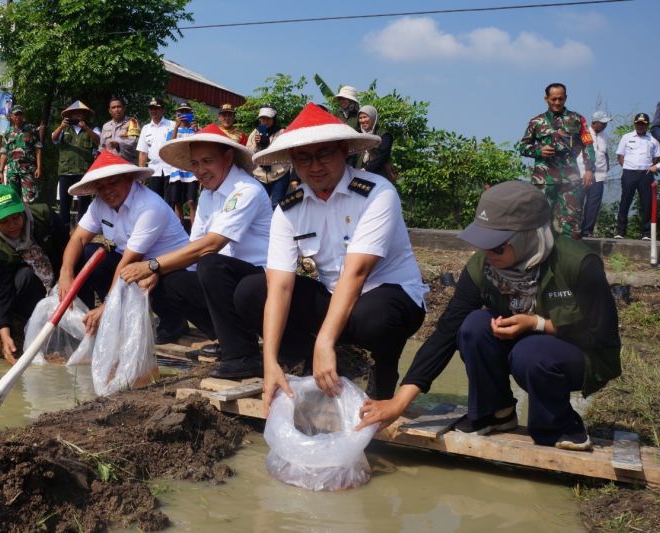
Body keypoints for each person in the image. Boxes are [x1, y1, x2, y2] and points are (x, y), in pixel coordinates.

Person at [356, 181, 621, 452]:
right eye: (484, 244)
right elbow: (446, 332)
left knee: (531, 351)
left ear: (530, 237)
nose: (488, 254)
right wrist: (399, 402)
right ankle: (496, 412)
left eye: (497, 247)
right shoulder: (482, 267)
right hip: (525, 347)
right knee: (473, 327)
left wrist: (538, 324)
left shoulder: (578, 263)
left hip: (579, 356)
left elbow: (601, 333)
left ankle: (560, 425)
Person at [234, 103, 429, 409]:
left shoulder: (378, 193)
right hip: (334, 296)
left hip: (388, 296)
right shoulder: (289, 210)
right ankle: (321, 358)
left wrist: (326, 340)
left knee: (375, 317)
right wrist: (270, 361)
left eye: (324, 154)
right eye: (303, 158)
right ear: (293, 162)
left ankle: (382, 371)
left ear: (343, 151)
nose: (315, 166)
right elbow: (280, 286)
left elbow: (357, 273)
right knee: (250, 291)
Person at [120, 123, 272, 377]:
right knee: (172, 282)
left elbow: (211, 245)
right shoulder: (208, 196)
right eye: (195, 164)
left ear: (227, 157)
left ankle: (243, 355)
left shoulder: (246, 190)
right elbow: (194, 246)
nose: (200, 170)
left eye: (207, 161)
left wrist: (152, 264)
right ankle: (227, 339)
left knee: (210, 264)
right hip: (226, 280)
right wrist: (158, 273)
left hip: (259, 284)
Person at [57, 151, 190, 338]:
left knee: (152, 277)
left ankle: (173, 320)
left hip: (170, 268)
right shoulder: (99, 204)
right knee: (89, 254)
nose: (108, 191)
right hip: (134, 265)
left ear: (128, 179)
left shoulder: (148, 206)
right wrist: (66, 273)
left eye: (113, 182)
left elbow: (128, 261)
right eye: (101, 187)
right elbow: (78, 238)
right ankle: (113, 315)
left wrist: (107, 306)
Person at [0, 184, 68, 364]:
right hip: (30, 290)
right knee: (25, 277)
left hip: (59, 274)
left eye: (15, 218)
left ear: (23, 210)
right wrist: (4, 333)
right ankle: (31, 323)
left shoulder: (44, 216)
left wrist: (65, 277)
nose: (12, 225)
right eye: (4, 222)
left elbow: (67, 247)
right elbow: (1, 294)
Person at [516, 83, 595, 240]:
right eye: (554, 99)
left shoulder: (577, 119)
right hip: (544, 179)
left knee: (572, 219)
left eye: (561, 98)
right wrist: (539, 150)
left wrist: (589, 169)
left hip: (570, 178)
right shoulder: (536, 122)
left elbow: (588, 144)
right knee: (540, 219)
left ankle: (571, 258)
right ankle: (540, 258)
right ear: (546, 99)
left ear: (565, 98)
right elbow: (523, 147)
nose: (557, 102)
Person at [50, 100, 100, 233]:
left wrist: (86, 128)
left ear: (85, 115)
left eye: (80, 113)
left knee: (84, 206)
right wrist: (61, 127)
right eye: (74, 113)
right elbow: (53, 139)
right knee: (64, 206)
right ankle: (63, 235)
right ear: (70, 115)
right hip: (66, 172)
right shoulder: (64, 128)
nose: (77, 115)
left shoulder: (92, 127)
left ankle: (81, 235)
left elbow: (99, 141)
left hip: (84, 172)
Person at [614, 113, 660, 240]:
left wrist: (653, 167)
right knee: (625, 201)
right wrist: (627, 167)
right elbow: (620, 156)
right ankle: (620, 231)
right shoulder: (626, 137)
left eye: (643, 124)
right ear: (634, 124)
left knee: (647, 203)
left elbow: (657, 157)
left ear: (647, 125)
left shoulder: (653, 140)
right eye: (638, 123)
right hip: (629, 173)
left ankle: (646, 233)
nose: (640, 126)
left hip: (645, 174)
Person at [246, 105, 291, 208]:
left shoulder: (282, 133)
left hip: (279, 174)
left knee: (277, 205)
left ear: (274, 119)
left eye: (268, 118)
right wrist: (257, 145)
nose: (265, 121)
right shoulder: (255, 133)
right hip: (260, 176)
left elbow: (286, 152)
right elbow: (248, 153)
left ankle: (278, 224)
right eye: (262, 119)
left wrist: (267, 142)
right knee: (261, 205)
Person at [576, 111, 611, 237]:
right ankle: (574, 230)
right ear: (594, 122)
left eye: (606, 123)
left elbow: (605, 154)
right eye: (602, 123)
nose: (604, 125)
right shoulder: (583, 134)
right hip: (582, 174)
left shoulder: (605, 136)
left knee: (593, 205)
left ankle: (587, 231)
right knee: (577, 203)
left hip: (599, 176)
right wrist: (585, 171)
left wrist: (606, 169)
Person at [0, 105, 43, 203]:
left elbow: (38, 149)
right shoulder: (7, 133)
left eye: (20, 114)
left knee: (30, 199)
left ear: (23, 116)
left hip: (27, 170)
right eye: (16, 114)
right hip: (12, 171)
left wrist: (39, 167)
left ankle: (31, 218)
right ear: (12, 116)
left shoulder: (31, 130)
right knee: (13, 199)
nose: (18, 117)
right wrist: (0, 171)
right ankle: (18, 218)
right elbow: (4, 152)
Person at [165, 102, 199, 228]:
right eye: (181, 112)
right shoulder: (172, 131)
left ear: (191, 114)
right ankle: (180, 232)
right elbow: (169, 147)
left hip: (192, 171)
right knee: (177, 202)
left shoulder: (196, 130)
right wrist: (175, 127)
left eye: (186, 112)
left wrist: (197, 131)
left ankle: (194, 232)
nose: (184, 114)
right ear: (177, 114)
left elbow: (200, 147)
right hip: (176, 170)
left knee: (191, 201)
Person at [137, 97, 174, 199]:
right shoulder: (146, 128)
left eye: (156, 108)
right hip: (154, 171)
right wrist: (141, 174)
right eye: (151, 108)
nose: (153, 111)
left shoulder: (172, 125)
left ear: (162, 110)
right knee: (156, 201)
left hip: (170, 169)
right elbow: (143, 152)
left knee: (170, 202)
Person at [354, 104, 394, 180]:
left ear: (372, 118)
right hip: (358, 175)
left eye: (365, 117)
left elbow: (383, 156)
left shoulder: (384, 134)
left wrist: (367, 169)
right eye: (360, 118)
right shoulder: (357, 134)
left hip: (379, 175)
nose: (363, 120)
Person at [99, 96, 141, 164]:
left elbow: (134, 143)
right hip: (110, 166)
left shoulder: (133, 122)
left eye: (119, 107)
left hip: (127, 165)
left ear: (124, 108)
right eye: (113, 107)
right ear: (109, 111)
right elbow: (102, 146)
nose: (116, 109)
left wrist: (118, 145)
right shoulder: (105, 126)